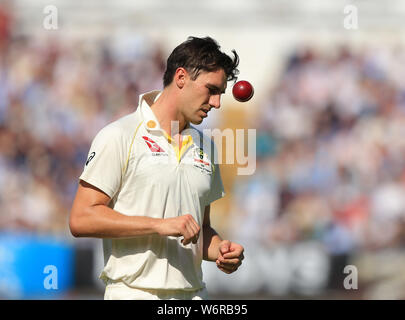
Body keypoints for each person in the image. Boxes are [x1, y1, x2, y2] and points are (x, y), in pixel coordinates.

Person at [69, 36, 245, 300]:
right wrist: (159, 225)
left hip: (195, 294)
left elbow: (200, 227)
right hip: (133, 292)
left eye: (221, 93)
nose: (217, 103)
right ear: (182, 77)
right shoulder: (120, 135)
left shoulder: (207, 146)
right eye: (212, 90)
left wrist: (221, 249)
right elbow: (81, 218)